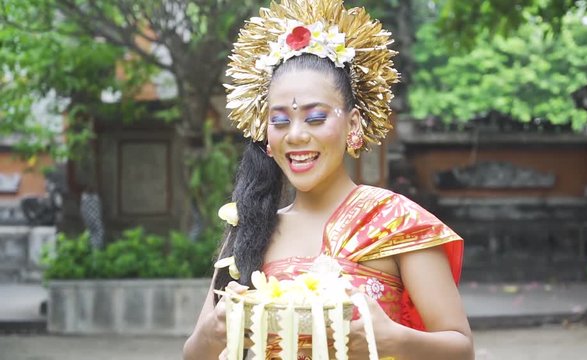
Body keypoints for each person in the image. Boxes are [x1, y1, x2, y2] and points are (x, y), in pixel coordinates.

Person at [183, 0, 473, 359]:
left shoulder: (397, 222)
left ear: (352, 125)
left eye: (316, 117)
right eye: (280, 120)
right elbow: (193, 354)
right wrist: (214, 334)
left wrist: (392, 339)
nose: (297, 135)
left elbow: (461, 348)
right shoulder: (249, 226)